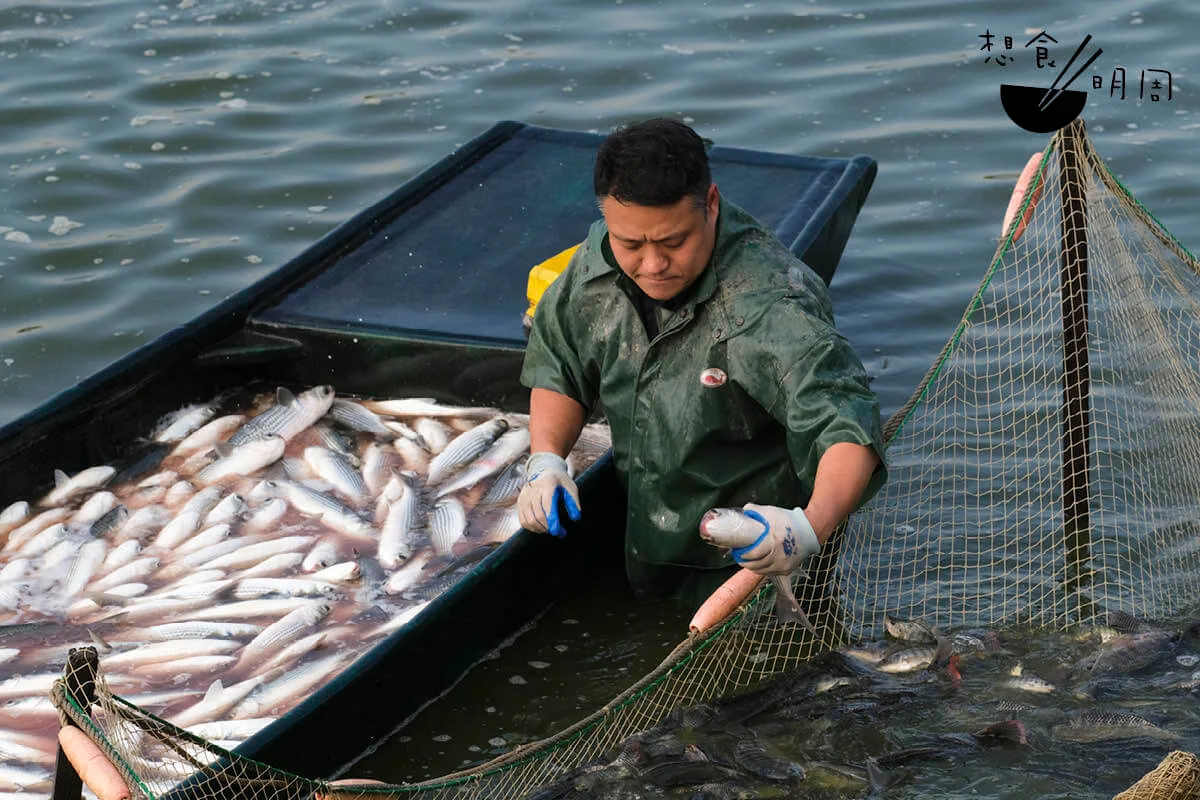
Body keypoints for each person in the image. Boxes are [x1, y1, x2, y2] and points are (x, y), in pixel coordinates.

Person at [517, 117, 886, 601]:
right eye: (630, 244)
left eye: (673, 243)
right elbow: (559, 358)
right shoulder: (600, 253)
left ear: (710, 204)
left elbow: (846, 424)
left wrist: (807, 528)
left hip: (755, 559)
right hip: (645, 540)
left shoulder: (769, 303)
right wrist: (547, 460)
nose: (651, 265)